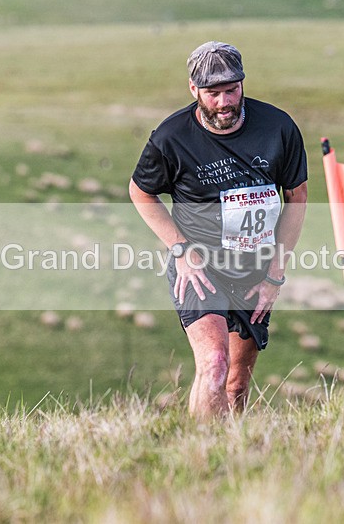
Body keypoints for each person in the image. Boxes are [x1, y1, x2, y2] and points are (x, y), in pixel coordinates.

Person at [129, 41, 308, 419]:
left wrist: (275, 274)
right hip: (200, 268)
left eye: (232, 90)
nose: (225, 102)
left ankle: (229, 454)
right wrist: (181, 251)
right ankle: (198, 455)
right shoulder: (171, 137)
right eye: (213, 94)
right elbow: (140, 191)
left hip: (254, 269)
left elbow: (297, 197)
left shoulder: (278, 128)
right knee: (213, 364)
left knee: (237, 383)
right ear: (194, 90)